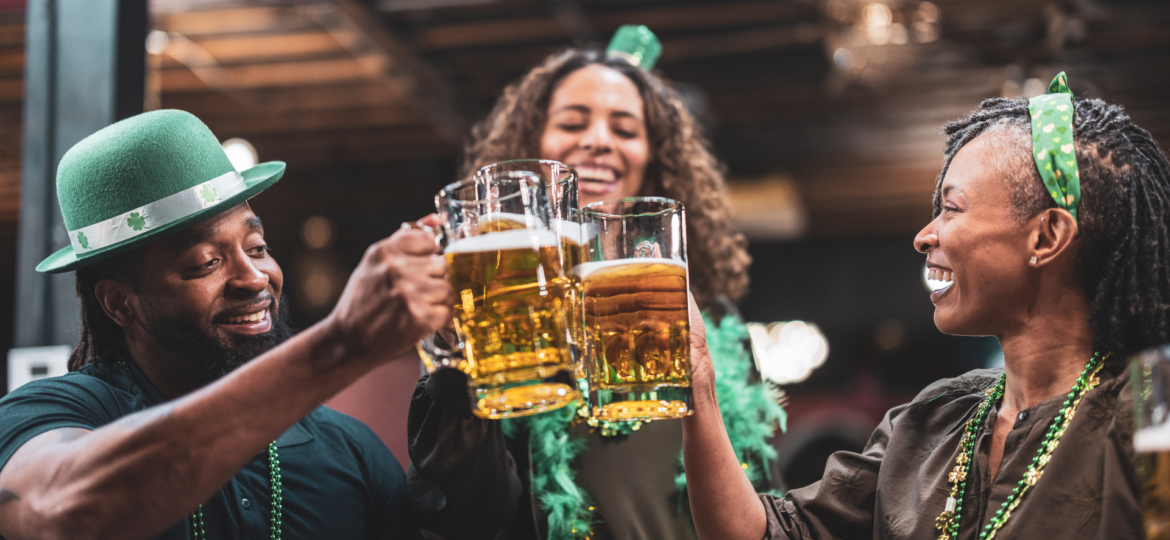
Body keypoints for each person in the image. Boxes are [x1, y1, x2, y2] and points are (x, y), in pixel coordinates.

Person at [682, 74, 1170, 539]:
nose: (924, 236)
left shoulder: (1146, 413)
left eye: (951, 208)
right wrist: (698, 377)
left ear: (1046, 236)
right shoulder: (930, 420)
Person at [0, 109, 451, 539]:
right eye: (206, 262)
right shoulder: (50, 414)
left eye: (256, 247)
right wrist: (341, 343)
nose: (254, 278)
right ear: (119, 303)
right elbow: (62, 513)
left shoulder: (351, 451)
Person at [408, 26, 785, 540]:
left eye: (625, 129)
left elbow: (766, 501)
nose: (599, 141)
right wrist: (454, 362)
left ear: (656, 160)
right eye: (573, 122)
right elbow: (464, 516)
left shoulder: (709, 316)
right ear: (532, 148)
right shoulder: (498, 312)